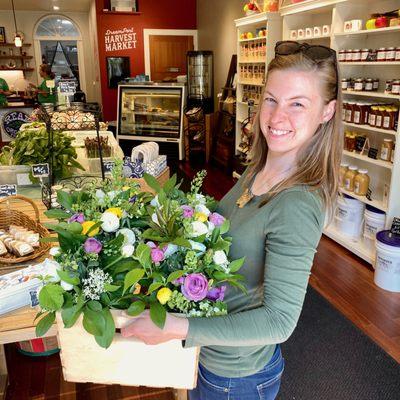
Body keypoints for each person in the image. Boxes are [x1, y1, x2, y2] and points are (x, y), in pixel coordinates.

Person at [121, 41, 342, 399]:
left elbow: (279, 322)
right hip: (211, 357)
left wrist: (175, 327)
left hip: (235, 378)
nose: (277, 116)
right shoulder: (259, 167)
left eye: (298, 104)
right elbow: (226, 224)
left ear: (327, 112)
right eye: (271, 99)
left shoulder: (297, 203)